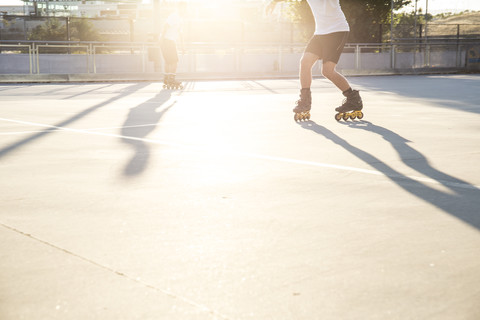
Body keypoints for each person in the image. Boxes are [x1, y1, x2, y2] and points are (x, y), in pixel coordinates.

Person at [266, 0, 363, 119]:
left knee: (327, 71)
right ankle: (305, 101)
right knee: (305, 63)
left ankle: (353, 99)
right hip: (320, 33)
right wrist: (273, 3)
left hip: (337, 31)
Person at [160, 3, 186, 89]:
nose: (184, 10)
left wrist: (182, 46)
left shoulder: (180, 19)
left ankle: (167, 79)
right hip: (168, 40)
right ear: (179, 8)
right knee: (174, 61)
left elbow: (180, 33)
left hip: (169, 41)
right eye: (183, 8)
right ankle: (171, 79)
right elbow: (165, 26)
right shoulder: (175, 16)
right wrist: (161, 39)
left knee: (169, 61)